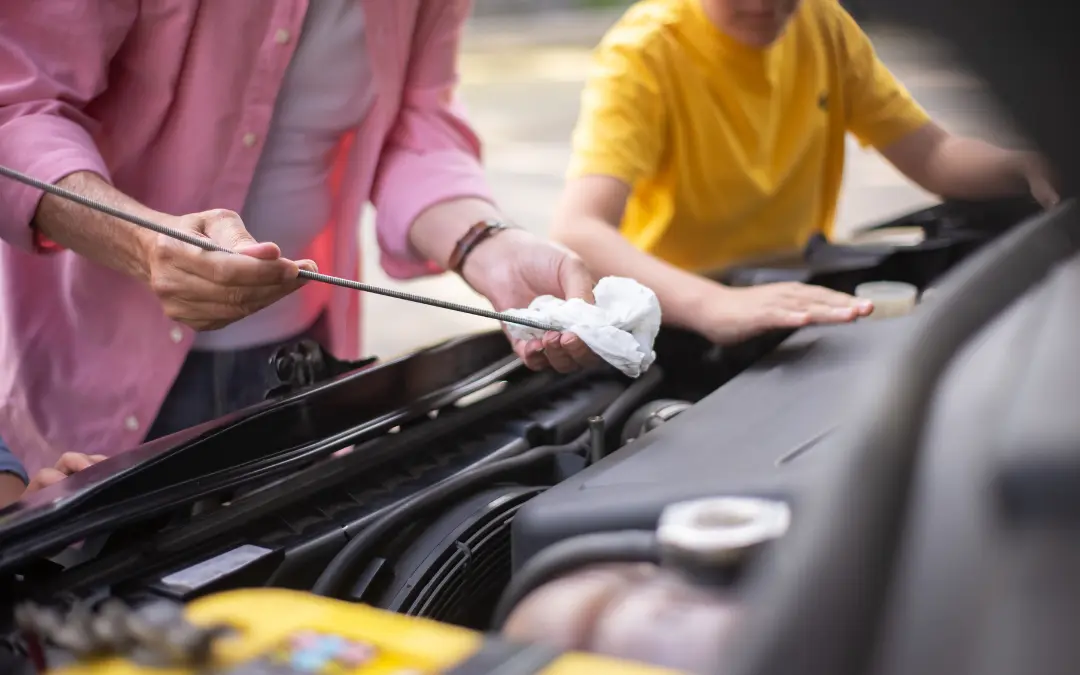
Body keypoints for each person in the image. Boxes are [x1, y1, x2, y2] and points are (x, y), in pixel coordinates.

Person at [0, 0, 601, 486]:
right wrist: (141, 243)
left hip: (301, 355)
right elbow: (17, 110)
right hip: (96, 363)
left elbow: (418, 122)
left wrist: (485, 245)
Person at [550, 0, 1061, 345]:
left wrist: (1031, 166)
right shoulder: (643, 52)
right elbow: (581, 226)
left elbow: (934, 155)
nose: (764, 6)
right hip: (681, 313)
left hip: (794, 292)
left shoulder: (822, 22)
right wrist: (713, 305)